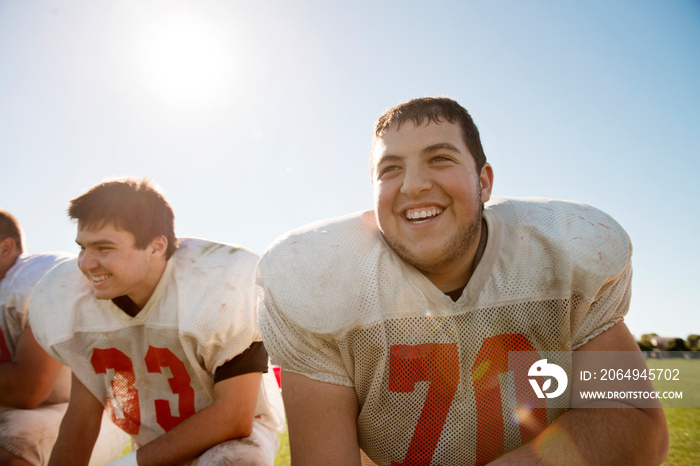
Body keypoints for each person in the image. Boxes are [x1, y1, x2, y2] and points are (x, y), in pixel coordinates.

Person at [257, 97, 669, 465]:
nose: (413, 184)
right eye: (391, 169)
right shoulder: (318, 278)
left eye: (439, 158)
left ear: (484, 182)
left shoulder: (562, 252)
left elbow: (634, 420)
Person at [29, 178, 284, 465]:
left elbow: (235, 417)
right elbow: (81, 420)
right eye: (82, 248)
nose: (86, 264)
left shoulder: (217, 289)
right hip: (153, 447)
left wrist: (127, 464)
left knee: (236, 460)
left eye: (103, 248)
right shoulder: (81, 305)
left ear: (156, 246)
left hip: (232, 441)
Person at [0, 209, 128, 466]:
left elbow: (30, 388)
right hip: (35, 406)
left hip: (96, 410)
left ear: (5, 248)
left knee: (13, 443)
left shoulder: (40, 277)